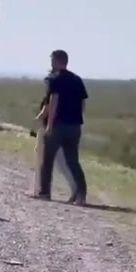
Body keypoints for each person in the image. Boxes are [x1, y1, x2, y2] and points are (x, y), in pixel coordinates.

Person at [35, 49, 89, 206]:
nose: (51, 63)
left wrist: (49, 125)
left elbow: (53, 102)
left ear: (58, 61)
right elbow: (83, 103)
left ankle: (45, 192)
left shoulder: (56, 79)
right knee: (73, 161)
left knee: (48, 159)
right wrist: (78, 120)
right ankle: (81, 195)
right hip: (74, 126)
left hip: (58, 125)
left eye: (52, 60)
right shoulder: (77, 80)